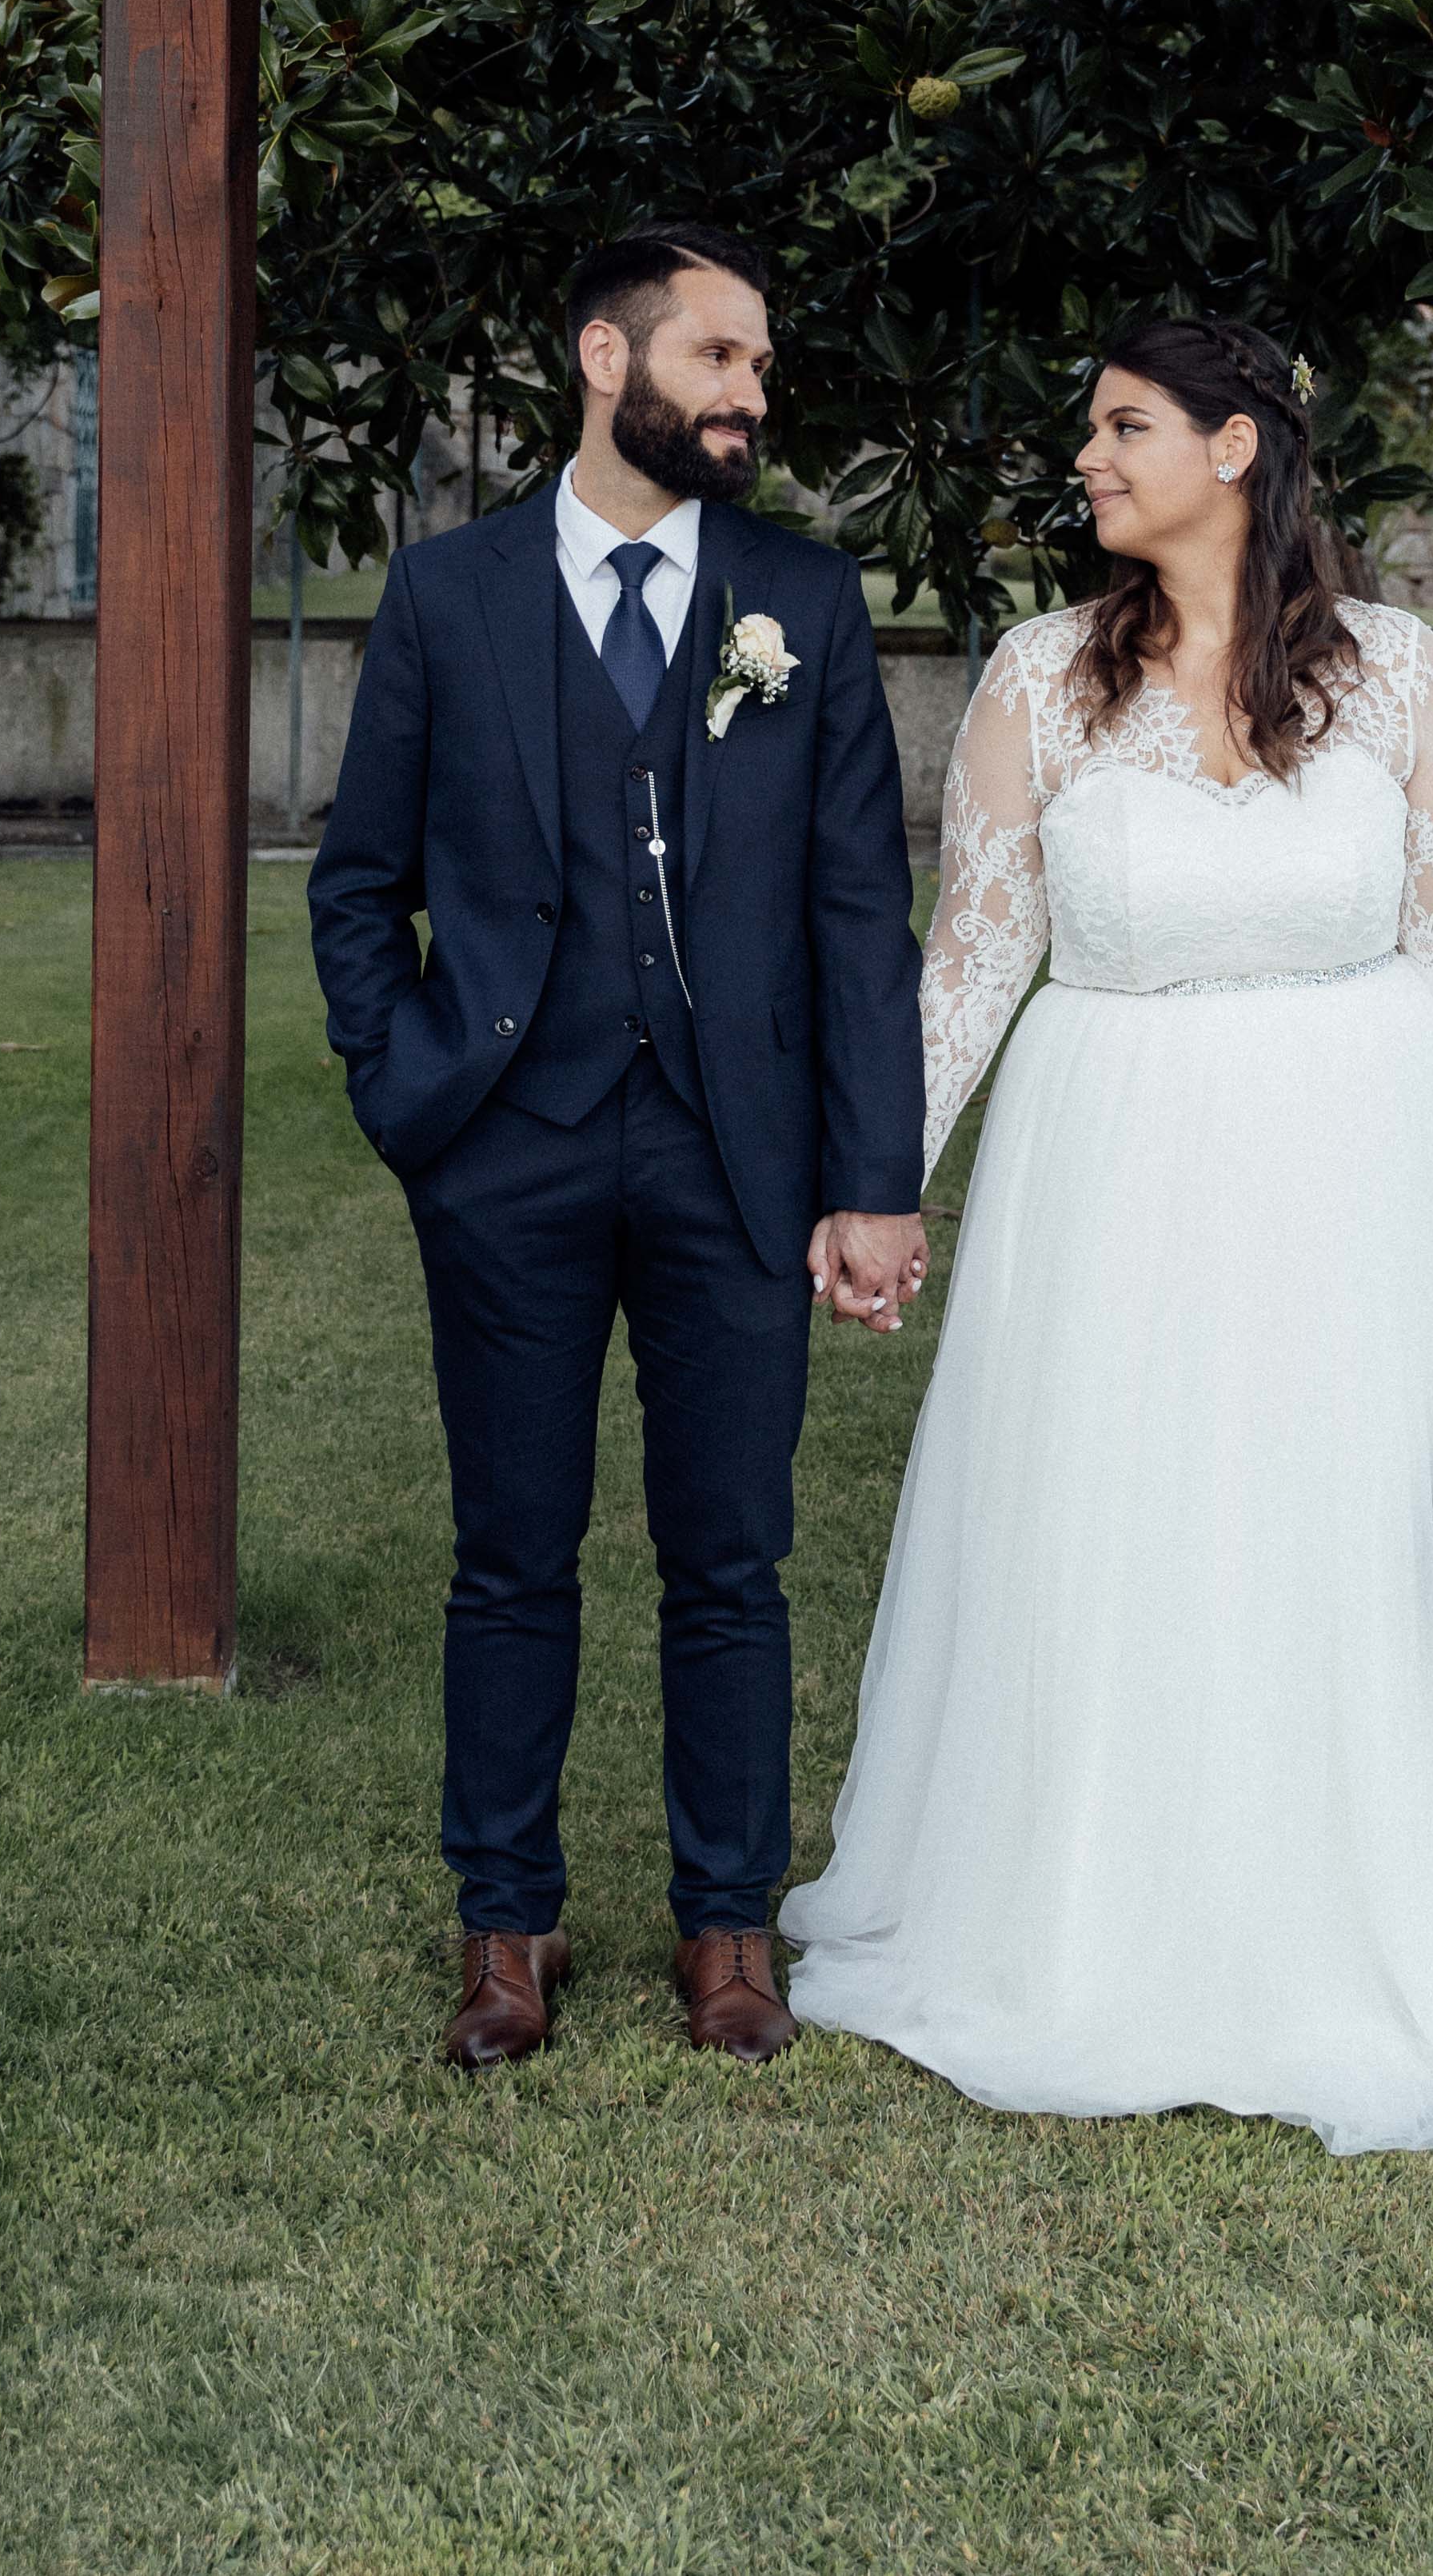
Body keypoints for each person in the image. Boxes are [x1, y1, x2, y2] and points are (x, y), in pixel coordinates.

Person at [780, 311, 1433, 2151]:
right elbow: (972, 964)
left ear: (1234, 448)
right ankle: (1107, 1905)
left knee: (1340, 1513)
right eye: (1089, 429)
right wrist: (882, 1185)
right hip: (1111, 1169)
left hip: (1362, 1161)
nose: (1086, 459)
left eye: (1123, 426)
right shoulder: (1033, 679)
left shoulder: (1397, 673)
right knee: (1125, 1509)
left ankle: (1380, 1887)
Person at [309, 221, 925, 2071]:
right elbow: (359, 887)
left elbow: (855, 916)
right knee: (511, 1551)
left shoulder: (801, 607)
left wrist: (871, 1177)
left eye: (758, 368)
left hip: (735, 1158)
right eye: (721, 360)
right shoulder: (446, 598)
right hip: (506, 1152)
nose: (752, 397)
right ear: (606, 359)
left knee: (729, 1555)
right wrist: (399, 1087)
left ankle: (725, 1927)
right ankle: (507, 1926)